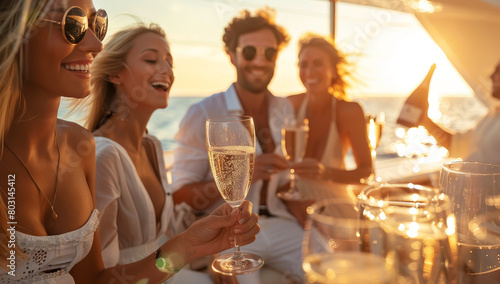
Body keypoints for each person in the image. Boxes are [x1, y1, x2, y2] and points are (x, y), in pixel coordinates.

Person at [0, 1, 259, 283]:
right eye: (72, 24)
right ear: (14, 32)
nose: (96, 44)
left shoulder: (79, 145)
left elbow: (98, 280)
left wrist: (189, 247)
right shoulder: (101, 151)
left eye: (98, 25)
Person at [84, 22, 238, 283]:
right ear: (115, 75)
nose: (167, 70)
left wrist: (205, 257)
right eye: (152, 60)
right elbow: (99, 278)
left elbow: (163, 240)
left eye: (169, 62)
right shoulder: (103, 156)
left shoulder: (152, 145)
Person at [172, 7, 305, 284]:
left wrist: (304, 206)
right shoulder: (203, 113)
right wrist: (248, 174)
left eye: (269, 53)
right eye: (249, 52)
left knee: (327, 267)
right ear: (231, 55)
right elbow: (181, 196)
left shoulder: (284, 110)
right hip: (229, 231)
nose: (260, 61)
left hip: (281, 224)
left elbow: (280, 185)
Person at [287, 33, 373, 185]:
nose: (309, 72)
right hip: (291, 203)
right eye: (304, 65)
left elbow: (366, 171)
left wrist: (326, 174)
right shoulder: (291, 104)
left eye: (318, 63)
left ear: (333, 70)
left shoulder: (349, 111)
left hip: (333, 203)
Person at [418, 61, 500, 165]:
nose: (491, 76)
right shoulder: (493, 115)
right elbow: (458, 145)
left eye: (498, 71)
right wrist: (426, 123)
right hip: (466, 181)